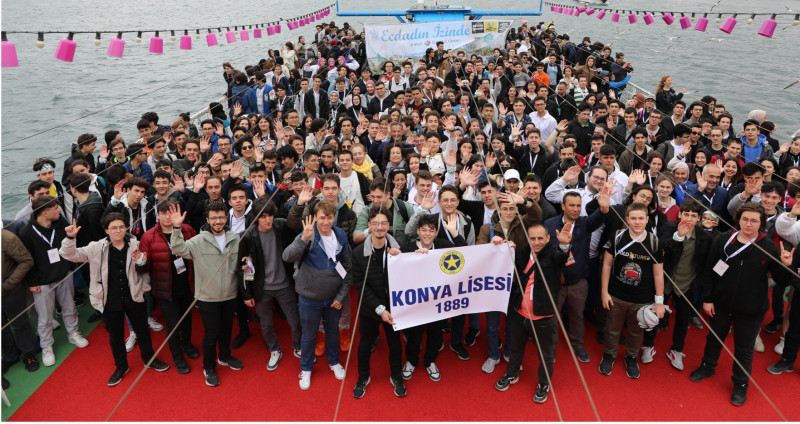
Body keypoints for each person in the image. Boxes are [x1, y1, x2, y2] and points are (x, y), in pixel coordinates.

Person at [689, 202, 794, 406]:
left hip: (751, 309)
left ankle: (741, 383)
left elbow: (782, 280)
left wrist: (785, 265)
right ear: (738, 220)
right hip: (721, 303)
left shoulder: (769, 247)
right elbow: (709, 271)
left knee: (744, 349)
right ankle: (707, 366)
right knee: (714, 338)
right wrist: (707, 299)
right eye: (745, 219)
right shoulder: (723, 239)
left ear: (761, 223)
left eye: (754, 220)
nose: (748, 224)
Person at [60, 213, 170, 386]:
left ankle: (150, 359)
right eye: (114, 228)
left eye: (121, 227)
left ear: (126, 228)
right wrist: (70, 238)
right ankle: (121, 366)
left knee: (142, 330)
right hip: (109, 300)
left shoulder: (136, 244)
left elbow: (146, 269)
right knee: (116, 336)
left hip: (134, 296)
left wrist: (142, 268)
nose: (118, 231)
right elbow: (70, 254)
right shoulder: (96, 247)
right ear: (106, 230)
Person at [494, 221, 572, 404]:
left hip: (543, 317)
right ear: (528, 239)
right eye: (533, 238)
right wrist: (499, 245)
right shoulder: (522, 253)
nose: (536, 242)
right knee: (515, 348)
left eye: (540, 238)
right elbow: (504, 263)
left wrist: (564, 245)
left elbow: (562, 257)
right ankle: (512, 374)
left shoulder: (554, 253)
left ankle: (543, 384)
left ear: (548, 238)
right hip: (519, 313)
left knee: (545, 355)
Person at [168, 203, 244, 387]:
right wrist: (176, 228)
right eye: (214, 218)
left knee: (227, 330)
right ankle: (208, 367)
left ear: (226, 218)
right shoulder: (198, 240)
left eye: (221, 217)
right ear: (208, 220)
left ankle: (224, 357)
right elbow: (177, 249)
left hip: (230, 294)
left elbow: (242, 263)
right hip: (207, 297)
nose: (218, 221)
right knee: (211, 334)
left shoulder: (235, 238)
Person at [282, 200, 352, 390]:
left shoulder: (340, 235)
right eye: (322, 218)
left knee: (332, 331)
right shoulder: (308, 234)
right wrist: (303, 239)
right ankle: (305, 368)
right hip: (309, 298)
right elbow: (287, 256)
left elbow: (348, 268)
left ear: (334, 217)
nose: (326, 222)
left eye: (329, 217)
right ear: (315, 218)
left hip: (333, 298)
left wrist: (340, 297)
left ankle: (334, 362)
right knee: (309, 335)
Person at [19, 195, 90, 368]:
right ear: (45, 212)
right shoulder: (26, 233)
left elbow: (69, 245)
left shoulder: (60, 223)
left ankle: (73, 333)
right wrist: (32, 282)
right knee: (44, 317)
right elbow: (26, 261)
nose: (59, 210)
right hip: (42, 282)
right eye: (56, 208)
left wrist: (69, 267)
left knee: (70, 307)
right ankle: (47, 347)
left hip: (64, 274)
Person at [599, 202, 666, 379]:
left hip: (642, 298)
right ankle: (609, 354)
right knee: (612, 328)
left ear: (647, 219)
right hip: (616, 294)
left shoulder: (654, 242)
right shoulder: (617, 237)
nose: (637, 222)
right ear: (627, 219)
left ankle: (631, 357)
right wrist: (604, 292)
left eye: (641, 218)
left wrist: (659, 302)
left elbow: (658, 274)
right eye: (633, 218)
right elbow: (606, 265)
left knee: (636, 331)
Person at [237, 197, 302, 371]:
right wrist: (247, 294)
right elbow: (244, 267)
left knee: (295, 321)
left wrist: (301, 202)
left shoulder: (281, 226)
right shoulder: (248, 236)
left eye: (270, 216)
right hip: (261, 289)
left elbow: (297, 228)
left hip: (284, 285)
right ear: (256, 217)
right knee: (266, 324)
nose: (268, 220)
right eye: (263, 216)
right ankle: (274, 350)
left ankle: (298, 346)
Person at [136, 199, 200, 374]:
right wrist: (141, 263)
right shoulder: (148, 236)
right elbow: (143, 269)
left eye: (171, 213)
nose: (167, 217)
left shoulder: (187, 230)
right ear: (157, 215)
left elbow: (196, 255)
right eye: (164, 213)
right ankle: (177, 357)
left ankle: (187, 344)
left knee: (187, 319)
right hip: (164, 289)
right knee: (173, 324)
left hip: (187, 284)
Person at [351, 208, 405, 398]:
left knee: (395, 344)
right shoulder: (358, 253)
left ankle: (396, 376)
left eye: (383, 223)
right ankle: (363, 377)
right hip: (370, 308)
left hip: (394, 307)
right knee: (365, 344)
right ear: (369, 226)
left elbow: (412, 273)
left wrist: (407, 258)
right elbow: (361, 286)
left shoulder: (400, 249)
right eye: (375, 223)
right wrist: (380, 309)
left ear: (389, 226)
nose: (379, 227)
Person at [2, 229, 40, 374]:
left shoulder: (7, 238)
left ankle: (28, 353)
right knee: (1, 327)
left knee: (20, 323)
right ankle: (9, 355)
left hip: (10, 291)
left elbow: (26, 260)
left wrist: (8, 285)